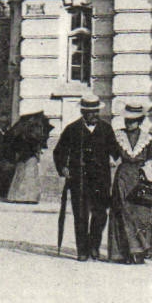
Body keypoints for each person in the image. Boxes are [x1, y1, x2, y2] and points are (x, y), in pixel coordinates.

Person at [53, 94, 121, 261]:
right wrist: (63, 168)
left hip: (101, 180)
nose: (94, 115)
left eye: (96, 111)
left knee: (100, 215)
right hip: (79, 180)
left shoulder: (106, 129)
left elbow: (116, 151)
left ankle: (94, 247)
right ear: (83, 112)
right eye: (90, 112)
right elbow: (59, 152)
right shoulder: (72, 129)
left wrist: (118, 157)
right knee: (81, 215)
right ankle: (82, 250)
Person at [108, 100, 152, 264]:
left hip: (140, 179)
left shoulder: (147, 139)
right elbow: (111, 155)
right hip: (123, 178)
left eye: (133, 120)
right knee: (123, 213)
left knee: (141, 214)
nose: (129, 123)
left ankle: (140, 251)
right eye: (127, 120)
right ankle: (124, 252)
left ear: (139, 121)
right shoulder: (118, 136)